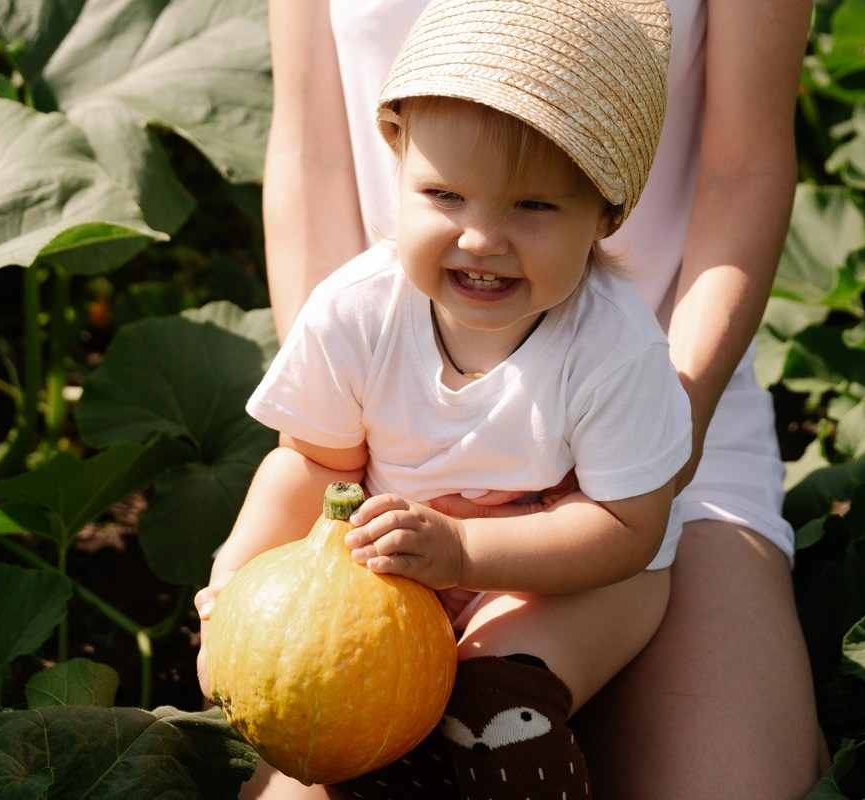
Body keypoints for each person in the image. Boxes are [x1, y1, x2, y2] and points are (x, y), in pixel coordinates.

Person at [239, 0, 827, 795]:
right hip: (397, 448)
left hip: (664, 419)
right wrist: (315, 489)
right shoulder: (363, 311)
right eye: (445, 198)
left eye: (534, 206)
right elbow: (312, 156)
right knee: (344, 750)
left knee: (702, 777)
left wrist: (659, 439)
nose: (481, 238)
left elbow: (745, 168)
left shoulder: (619, 349)